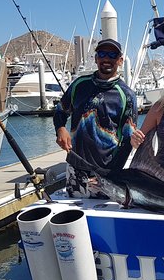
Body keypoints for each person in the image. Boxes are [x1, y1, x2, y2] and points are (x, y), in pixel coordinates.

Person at [53, 38, 137, 198]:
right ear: (96, 58)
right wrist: (60, 129)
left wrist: (111, 174)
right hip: (75, 168)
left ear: (120, 60)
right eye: (102, 53)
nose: (106, 58)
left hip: (105, 173)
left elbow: (128, 141)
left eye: (112, 55)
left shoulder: (127, 95)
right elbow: (60, 112)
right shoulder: (79, 85)